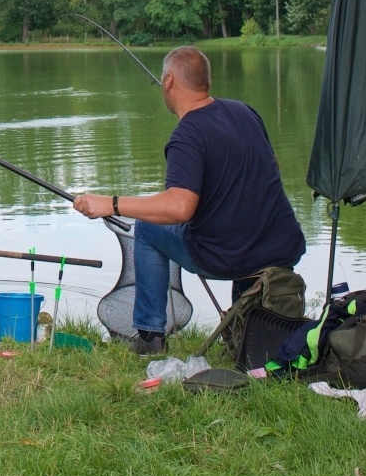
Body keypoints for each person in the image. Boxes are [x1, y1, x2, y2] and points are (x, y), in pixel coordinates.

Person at [74, 45, 305, 355]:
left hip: (231, 257)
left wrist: (111, 204)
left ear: (168, 81)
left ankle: (149, 336)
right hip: (281, 246)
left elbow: (179, 208)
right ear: (205, 81)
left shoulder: (188, 133)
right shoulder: (245, 111)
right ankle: (244, 326)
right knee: (230, 226)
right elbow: (271, 165)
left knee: (146, 230)